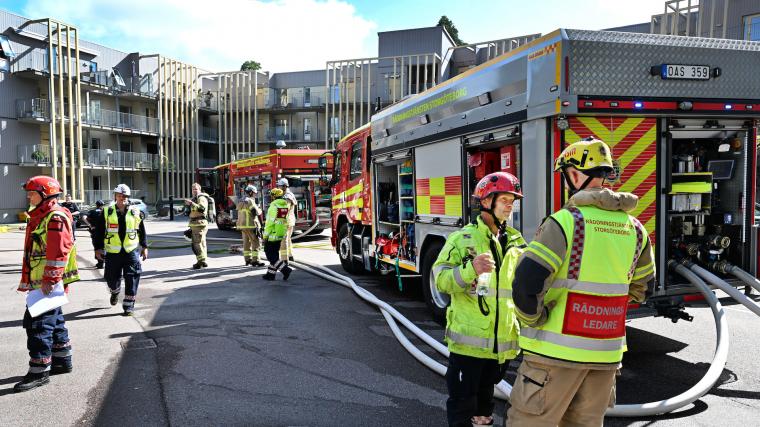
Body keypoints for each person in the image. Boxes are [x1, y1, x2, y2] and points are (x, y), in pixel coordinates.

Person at [507, 137, 655, 427]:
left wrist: (533, 318)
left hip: (552, 358)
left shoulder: (565, 222)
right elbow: (642, 289)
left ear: (575, 174)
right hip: (605, 358)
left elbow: (527, 281)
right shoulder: (636, 229)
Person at [432, 171, 526, 427]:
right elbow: (439, 279)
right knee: (463, 407)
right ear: (486, 201)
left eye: (512, 200)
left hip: (500, 349)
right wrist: (469, 269)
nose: (510, 205)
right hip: (468, 348)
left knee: (485, 410)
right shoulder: (462, 239)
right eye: (504, 199)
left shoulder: (516, 242)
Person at [15, 176, 80, 392]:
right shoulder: (44, 215)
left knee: (38, 326)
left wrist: (50, 280)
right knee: (55, 321)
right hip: (44, 283)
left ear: (45, 194)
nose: (28, 196)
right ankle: (62, 360)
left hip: (46, 284)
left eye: (32, 192)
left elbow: (58, 252)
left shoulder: (55, 217)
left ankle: (39, 371)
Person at [93, 184, 148, 316]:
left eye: (125, 196)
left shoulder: (135, 212)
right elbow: (99, 232)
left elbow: (141, 230)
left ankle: (128, 306)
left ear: (128, 197)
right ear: (115, 196)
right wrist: (98, 248)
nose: (122, 198)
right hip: (113, 252)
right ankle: (115, 291)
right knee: (111, 278)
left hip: (131, 251)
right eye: (119, 195)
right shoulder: (107, 211)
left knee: (132, 277)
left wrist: (144, 246)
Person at [262, 188, 293, 281]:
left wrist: (265, 236)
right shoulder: (284, 206)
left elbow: (269, 224)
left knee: (270, 256)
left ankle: (285, 270)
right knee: (274, 254)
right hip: (280, 234)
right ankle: (270, 275)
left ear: (273, 196)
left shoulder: (273, 207)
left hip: (272, 235)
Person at [237, 184, 264, 267]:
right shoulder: (250, 200)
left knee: (246, 243)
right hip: (251, 225)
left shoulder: (241, 200)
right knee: (256, 242)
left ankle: (247, 259)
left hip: (242, 226)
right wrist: (259, 209)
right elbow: (255, 212)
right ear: (251, 192)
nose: (255, 195)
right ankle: (256, 260)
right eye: (254, 193)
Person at [186, 183, 210, 269]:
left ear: (199, 189)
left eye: (196, 189)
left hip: (199, 223)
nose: (194, 191)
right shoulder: (195, 199)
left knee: (197, 243)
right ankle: (200, 262)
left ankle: (202, 260)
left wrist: (191, 203)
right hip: (195, 223)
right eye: (193, 189)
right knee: (201, 243)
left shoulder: (201, 198)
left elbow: (201, 209)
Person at [277, 177, 296, 261]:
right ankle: (290, 255)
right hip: (290, 221)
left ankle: (284, 259)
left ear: (284, 186)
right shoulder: (290, 195)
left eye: (280, 186)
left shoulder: (287, 196)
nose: (278, 188)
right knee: (288, 239)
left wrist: (278, 220)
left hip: (285, 221)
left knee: (283, 240)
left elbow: (285, 209)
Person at [84, 200, 106, 268]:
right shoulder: (106, 212)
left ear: (96, 205)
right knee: (104, 247)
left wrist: (90, 225)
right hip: (105, 232)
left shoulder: (92, 211)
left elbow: (84, 217)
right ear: (103, 205)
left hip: (95, 232)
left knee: (97, 247)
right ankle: (103, 261)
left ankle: (100, 263)